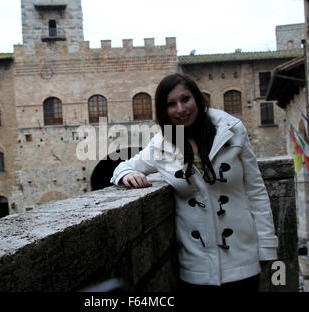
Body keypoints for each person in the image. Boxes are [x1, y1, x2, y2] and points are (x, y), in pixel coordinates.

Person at [110, 73, 278, 291]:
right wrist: (126, 175)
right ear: (163, 110)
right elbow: (123, 167)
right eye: (171, 104)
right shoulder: (162, 146)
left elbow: (256, 191)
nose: (180, 109)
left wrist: (266, 246)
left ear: (197, 99)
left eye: (185, 99)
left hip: (243, 259)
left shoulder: (232, 129)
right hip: (196, 268)